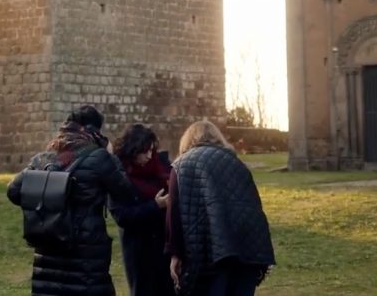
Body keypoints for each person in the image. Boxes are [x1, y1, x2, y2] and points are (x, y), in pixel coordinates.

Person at [8, 105, 134, 296]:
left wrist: (49, 203)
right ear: (95, 131)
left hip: (49, 248)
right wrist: (111, 156)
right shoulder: (99, 158)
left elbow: (13, 191)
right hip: (85, 255)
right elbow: (126, 193)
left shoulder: (42, 159)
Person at [166, 121, 275, 296]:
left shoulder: (181, 166)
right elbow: (254, 207)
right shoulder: (237, 164)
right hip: (246, 246)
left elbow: (174, 213)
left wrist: (175, 253)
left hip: (210, 251)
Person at [109, 124, 175, 296]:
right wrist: (155, 206)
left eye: (151, 150)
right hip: (139, 251)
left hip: (164, 247)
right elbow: (122, 215)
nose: (149, 156)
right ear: (132, 150)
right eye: (144, 151)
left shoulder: (162, 169)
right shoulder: (119, 175)